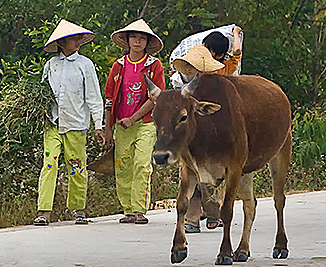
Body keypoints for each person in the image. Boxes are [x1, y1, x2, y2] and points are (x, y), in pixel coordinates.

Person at [33, 19, 105, 226]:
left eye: (79, 38)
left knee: (76, 166)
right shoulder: (51, 65)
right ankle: (44, 211)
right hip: (53, 123)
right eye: (73, 38)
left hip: (76, 124)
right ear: (62, 42)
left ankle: (78, 209)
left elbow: (93, 97)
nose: (78, 41)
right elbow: (43, 94)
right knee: (49, 164)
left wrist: (97, 125)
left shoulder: (85, 65)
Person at [172, 27, 243, 233]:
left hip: (206, 131)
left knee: (201, 174)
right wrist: (236, 34)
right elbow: (236, 52)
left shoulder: (195, 75)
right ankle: (200, 218)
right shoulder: (227, 67)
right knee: (194, 173)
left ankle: (205, 216)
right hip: (202, 130)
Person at [104, 19, 165, 224]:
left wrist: (134, 118)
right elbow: (109, 98)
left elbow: (156, 97)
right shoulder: (118, 66)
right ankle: (128, 209)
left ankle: (140, 209)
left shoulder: (154, 66)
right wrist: (107, 128)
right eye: (134, 37)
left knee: (142, 164)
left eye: (142, 38)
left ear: (147, 42)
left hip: (145, 122)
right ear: (127, 40)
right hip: (121, 123)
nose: (137, 41)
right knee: (122, 166)